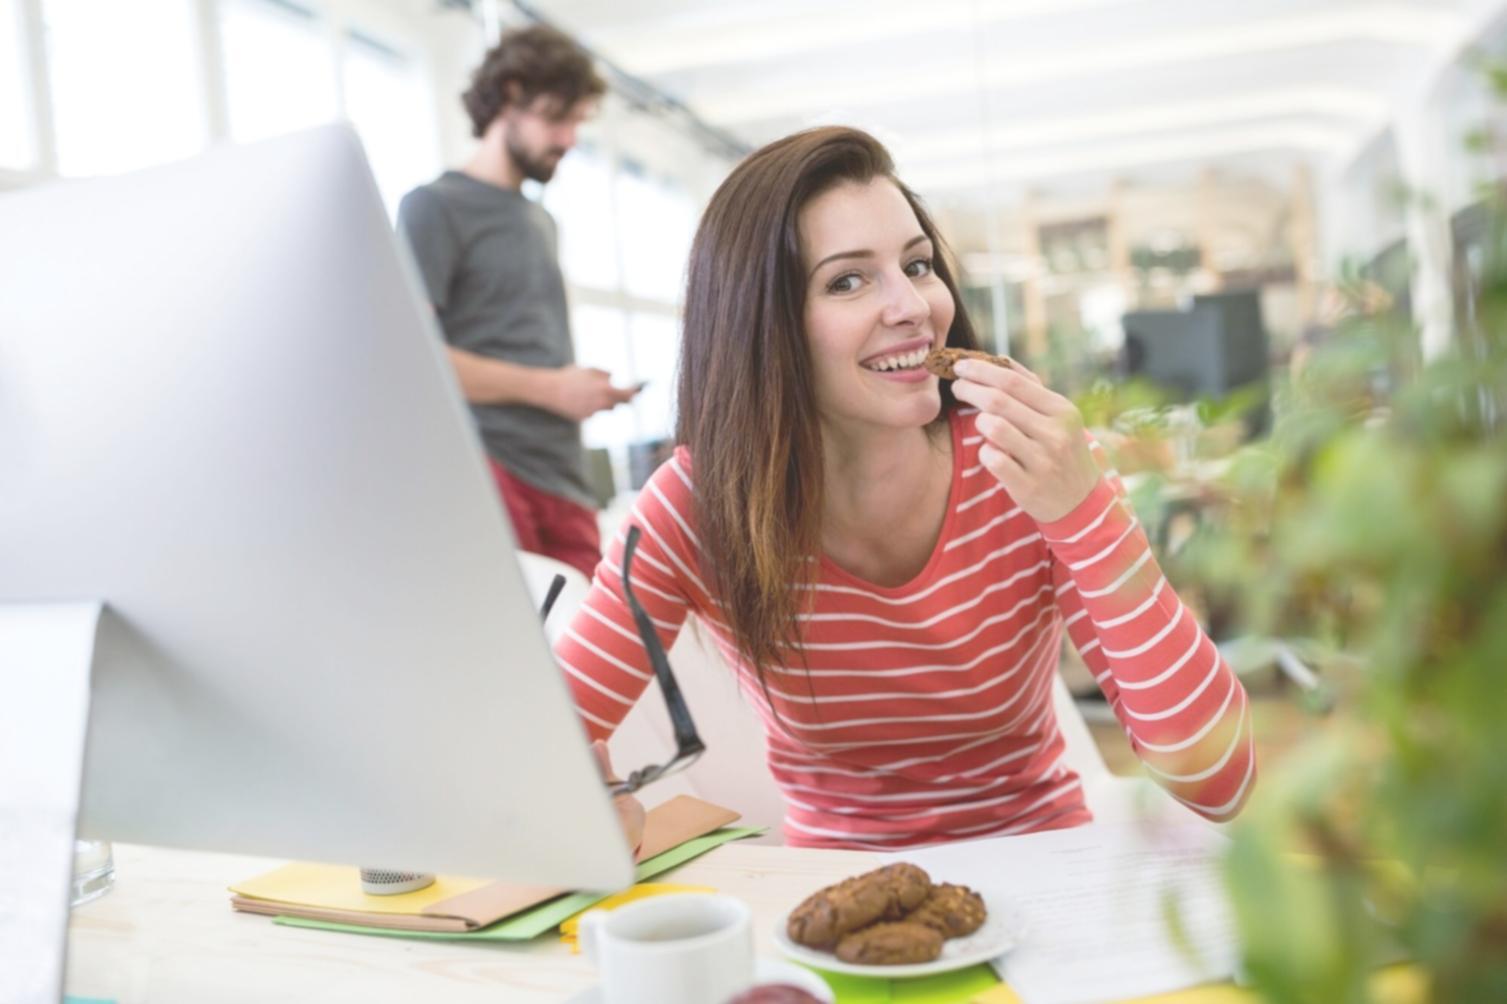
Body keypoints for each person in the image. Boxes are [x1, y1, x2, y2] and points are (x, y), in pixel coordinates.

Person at [561, 127, 1256, 849]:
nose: (914, 306)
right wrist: (584, 790)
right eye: (848, 280)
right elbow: (542, 747)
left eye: (917, 265)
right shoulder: (700, 505)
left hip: (1046, 872)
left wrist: (1087, 518)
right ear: (760, 329)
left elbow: (1218, 782)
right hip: (833, 906)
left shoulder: (1026, 463)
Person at [398, 25, 638, 578]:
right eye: (558, 119)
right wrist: (553, 389)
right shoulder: (434, 208)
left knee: (582, 650)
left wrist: (579, 389)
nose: (570, 139)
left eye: (578, 122)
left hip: (563, 474)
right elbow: (417, 359)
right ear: (509, 97)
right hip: (490, 468)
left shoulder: (540, 220)